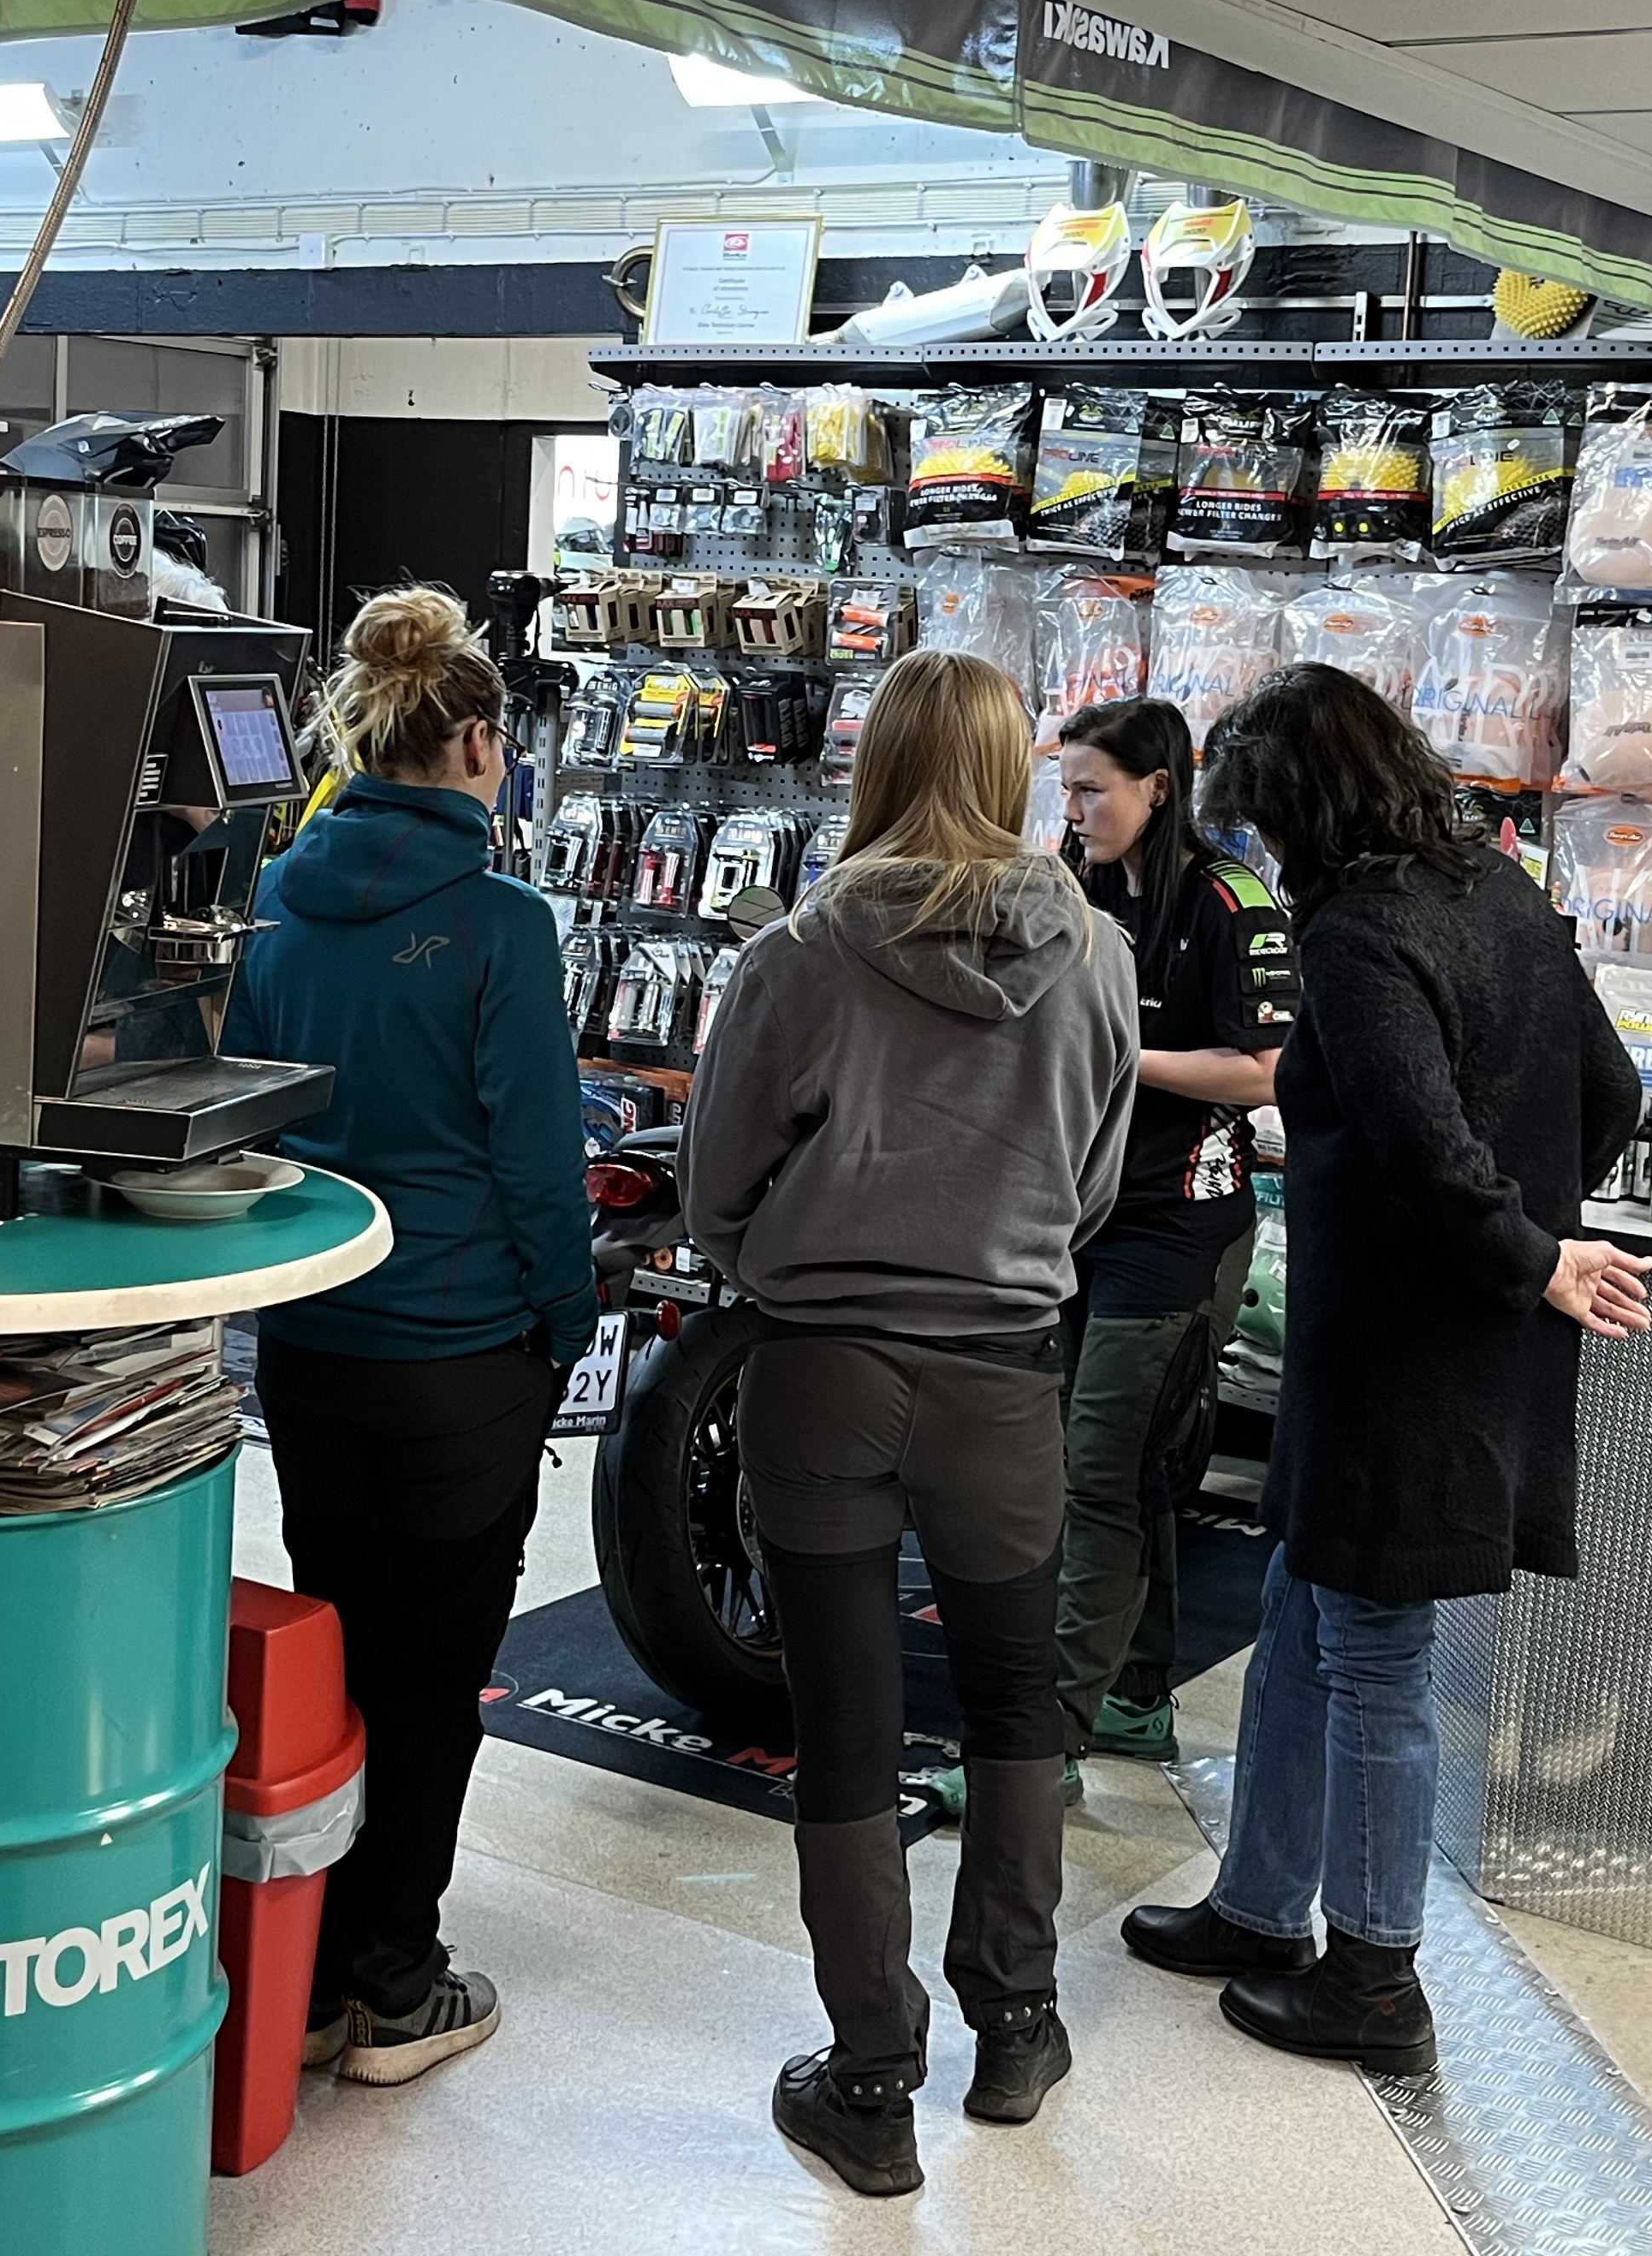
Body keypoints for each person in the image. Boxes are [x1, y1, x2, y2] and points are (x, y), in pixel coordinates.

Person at [1120, 665, 1649, 2080]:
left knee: (1371, 1647)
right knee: (1303, 1603)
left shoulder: (1359, 933)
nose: (1266, 855)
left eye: (1266, 825)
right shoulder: (1497, 888)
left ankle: (1373, 1973)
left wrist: (1518, 1249)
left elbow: (1420, 1141)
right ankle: (1259, 1902)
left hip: (1396, 1346)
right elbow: (1609, 1092)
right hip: (1455, 1334)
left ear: (1305, 809)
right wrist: (1532, 1236)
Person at [681, 649, 1137, 2196]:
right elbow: (1092, 1179)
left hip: (822, 1365)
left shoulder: (799, 951)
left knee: (845, 1719)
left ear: (876, 762)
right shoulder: (1097, 953)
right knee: (1014, 1704)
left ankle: (871, 2078)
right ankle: (1017, 2023)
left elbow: (715, 1185)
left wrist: (799, 1255)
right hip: (1004, 1370)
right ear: (1014, 767)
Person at [218, 585, 595, 2087]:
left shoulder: (275, 900)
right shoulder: (503, 925)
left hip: (313, 1343)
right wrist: (564, 1325)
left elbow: (249, 1111)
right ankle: (394, 1981)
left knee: (337, 1646)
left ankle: (306, 1974)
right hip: (462, 1347)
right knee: (433, 1678)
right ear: (481, 742)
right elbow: (539, 1164)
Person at [1038, 697, 1291, 1785]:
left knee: (1098, 1475)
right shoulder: (1073, 878)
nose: (1074, 808)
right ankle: (1137, 1696)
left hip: (1181, 1226)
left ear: (1157, 787)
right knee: (1118, 1469)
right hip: (1077, 1215)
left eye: (1092, 790)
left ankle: (1041, 1746)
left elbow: (1266, 1073)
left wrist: (1121, 1057)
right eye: (1065, 788)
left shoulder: (1233, 901)